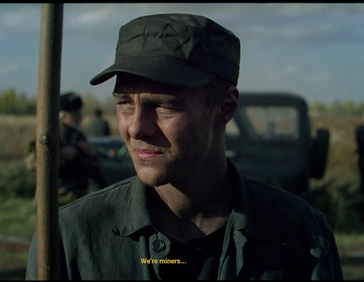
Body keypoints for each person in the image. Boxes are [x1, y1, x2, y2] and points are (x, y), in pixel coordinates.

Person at [26, 13, 343, 280]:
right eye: (124, 104)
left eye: (163, 106)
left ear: (224, 108)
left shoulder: (303, 235)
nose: (135, 126)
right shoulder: (70, 238)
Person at [57, 92, 108, 205]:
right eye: (76, 113)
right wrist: (61, 154)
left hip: (79, 198)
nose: (80, 117)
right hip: (59, 199)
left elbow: (92, 167)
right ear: (64, 116)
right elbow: (33, 161)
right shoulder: (52, 134)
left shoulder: (77, 135)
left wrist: (93, 154)